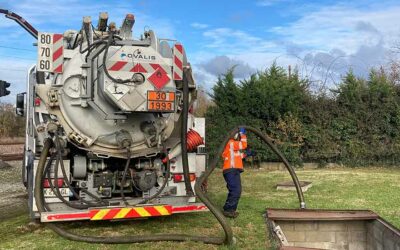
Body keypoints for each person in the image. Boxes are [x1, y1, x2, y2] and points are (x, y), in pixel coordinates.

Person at [221, 127, 247, 218]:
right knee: (236, 191)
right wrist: (243, 135)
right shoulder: (231, 143)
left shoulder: (230, 146)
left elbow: (237, 155)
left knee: (235, 190)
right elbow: (243, 145)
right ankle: (228, 210)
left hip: (232, 170)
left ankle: (228, 208)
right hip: (231, 170)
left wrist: (247, 154)